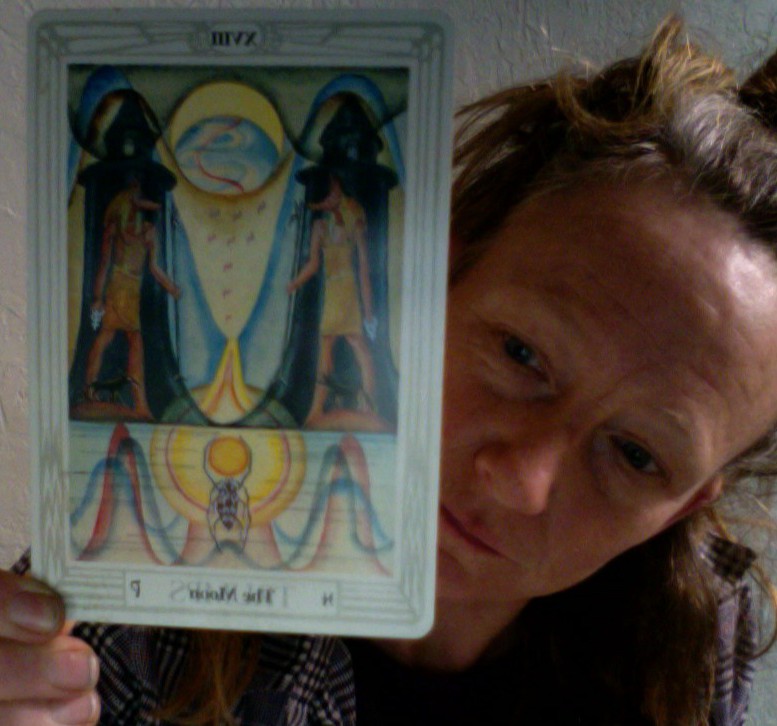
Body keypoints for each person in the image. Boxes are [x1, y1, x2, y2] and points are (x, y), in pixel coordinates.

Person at [4, 16, 777, 725]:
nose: (519, 479)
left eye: (635, 455)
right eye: (520, 354)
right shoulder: (127, 599)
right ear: (429, 277)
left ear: (679, 508)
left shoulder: (692, 648)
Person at [84, 177, 181, 419]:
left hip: (133, 290)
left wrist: (171, 287)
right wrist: (97, 297)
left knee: (121, 340)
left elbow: (154, 267)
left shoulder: (147, 231)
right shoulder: (115, 227)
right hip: (118, 286)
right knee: (113, 338)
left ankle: (137, 403)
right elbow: (104, 264)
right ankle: (94, 391)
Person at [287, 173, 378, 427]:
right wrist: (293, 284)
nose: (335, 197)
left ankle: (369, 405)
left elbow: (364, 267)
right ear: (320, 202)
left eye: (337, 191)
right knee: (328, 349)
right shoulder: (320, 226)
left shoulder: (354, 217)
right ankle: (317, 409)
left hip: (348, 292)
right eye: (329, 196)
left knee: (358, 345)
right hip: (333, 293)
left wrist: (368, 309)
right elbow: (313, 264)